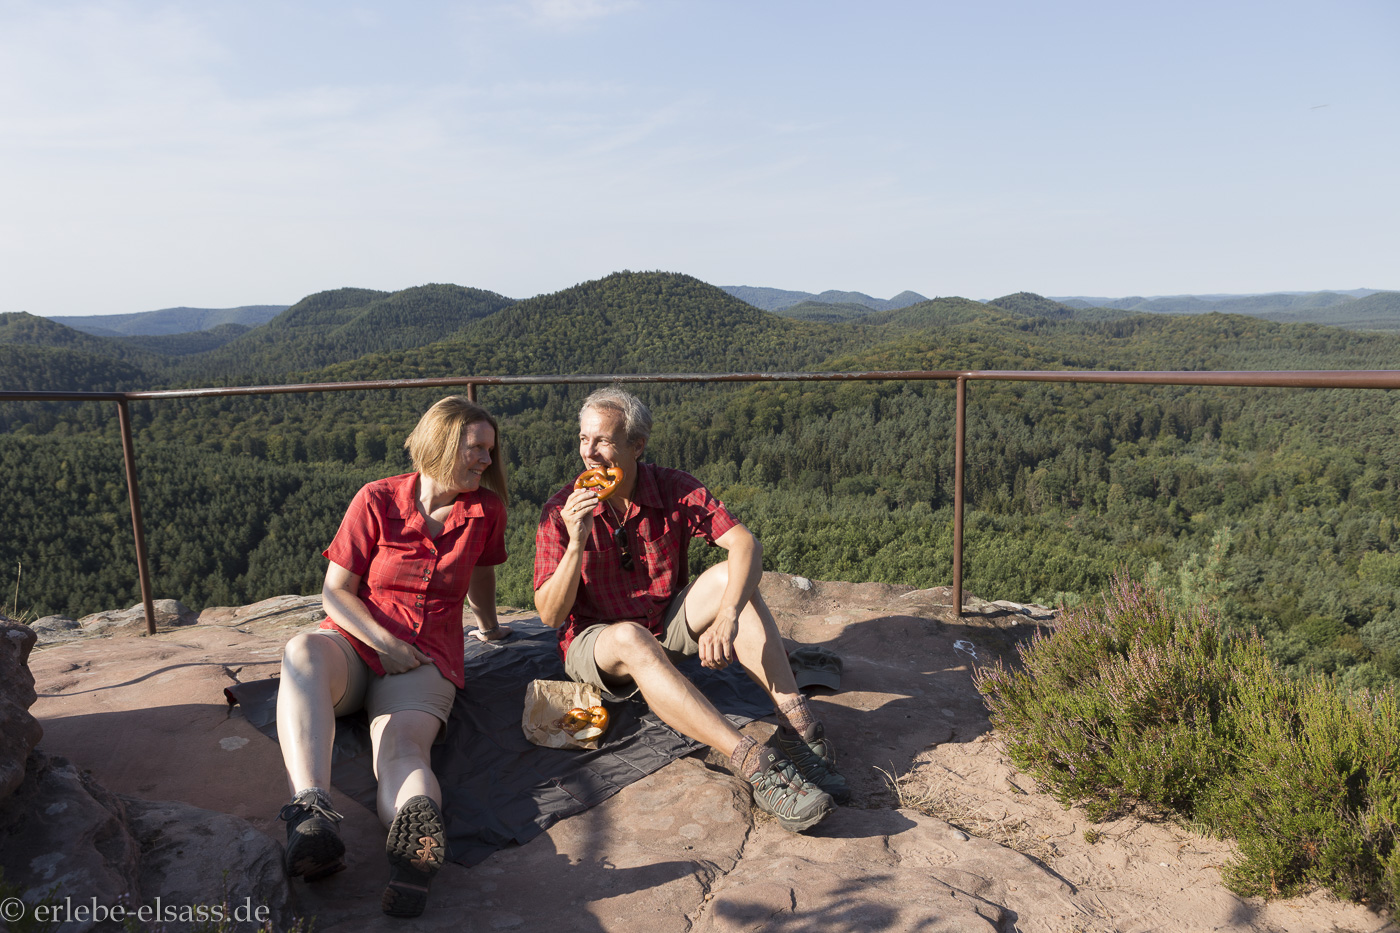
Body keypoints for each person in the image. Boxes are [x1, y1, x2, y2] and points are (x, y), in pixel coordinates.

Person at [533, 387, 848, 833]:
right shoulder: (560, 512)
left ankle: (798, 730)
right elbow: (548, 614)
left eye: (602, 440)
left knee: (729, 581)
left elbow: (744, 544)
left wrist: (728, 615)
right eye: (583, 439)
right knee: (629, 637)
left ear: (636, 445)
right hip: (599, 644)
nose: (590, 452)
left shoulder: (673, 487)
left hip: (665, 625)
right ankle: (754, 762)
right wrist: (577, 538)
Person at [274, 396, 511, 919]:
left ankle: (416, 842)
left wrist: (490, 628)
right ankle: (312, 813)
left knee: (403, 748)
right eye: (475, 450)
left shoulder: (487, 510)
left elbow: (482, 573)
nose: (486, 462)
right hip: (357, 643)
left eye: (489, 452)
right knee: (303, 651)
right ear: (441, 445)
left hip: (429, 659)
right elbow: (336, 593)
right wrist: (385, 644)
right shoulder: (377, 499)